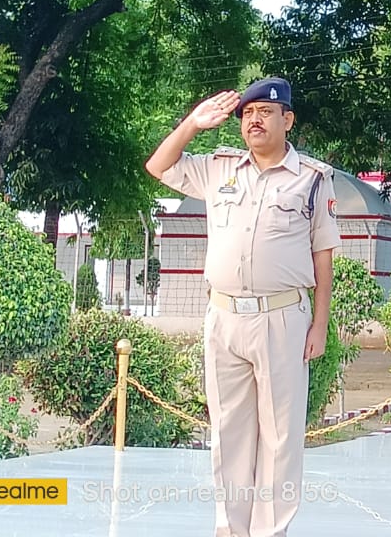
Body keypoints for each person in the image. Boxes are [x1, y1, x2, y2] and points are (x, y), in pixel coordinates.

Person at [145, 78, 339, 537]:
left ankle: (270, 530)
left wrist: (320, 324)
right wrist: (193, 124)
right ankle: (231, 528)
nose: (254, 120)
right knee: (229, 431)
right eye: (247, 114)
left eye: (265, 112)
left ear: (287, 120)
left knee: (280, 435)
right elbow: (158, 165)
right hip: (225, 317)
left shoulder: (313, 179)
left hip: (282, 317)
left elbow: (323, 254)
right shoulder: (219, 168)